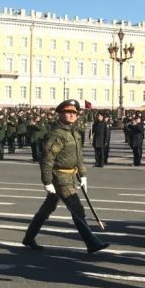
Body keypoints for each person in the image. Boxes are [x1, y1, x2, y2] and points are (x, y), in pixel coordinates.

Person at [22, 99, 109, 254]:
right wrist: (47, 181)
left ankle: (29, 237)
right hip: (60, 177)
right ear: (60, 114)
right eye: (67, 112)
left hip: (70, 176)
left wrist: (83, 175)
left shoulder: (74, 133)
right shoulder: (58, 135)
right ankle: (91, 243)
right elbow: (47, 158)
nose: (71, 115)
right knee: (77, 208)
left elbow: (78, 157)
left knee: (47, 208)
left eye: (74, 113)